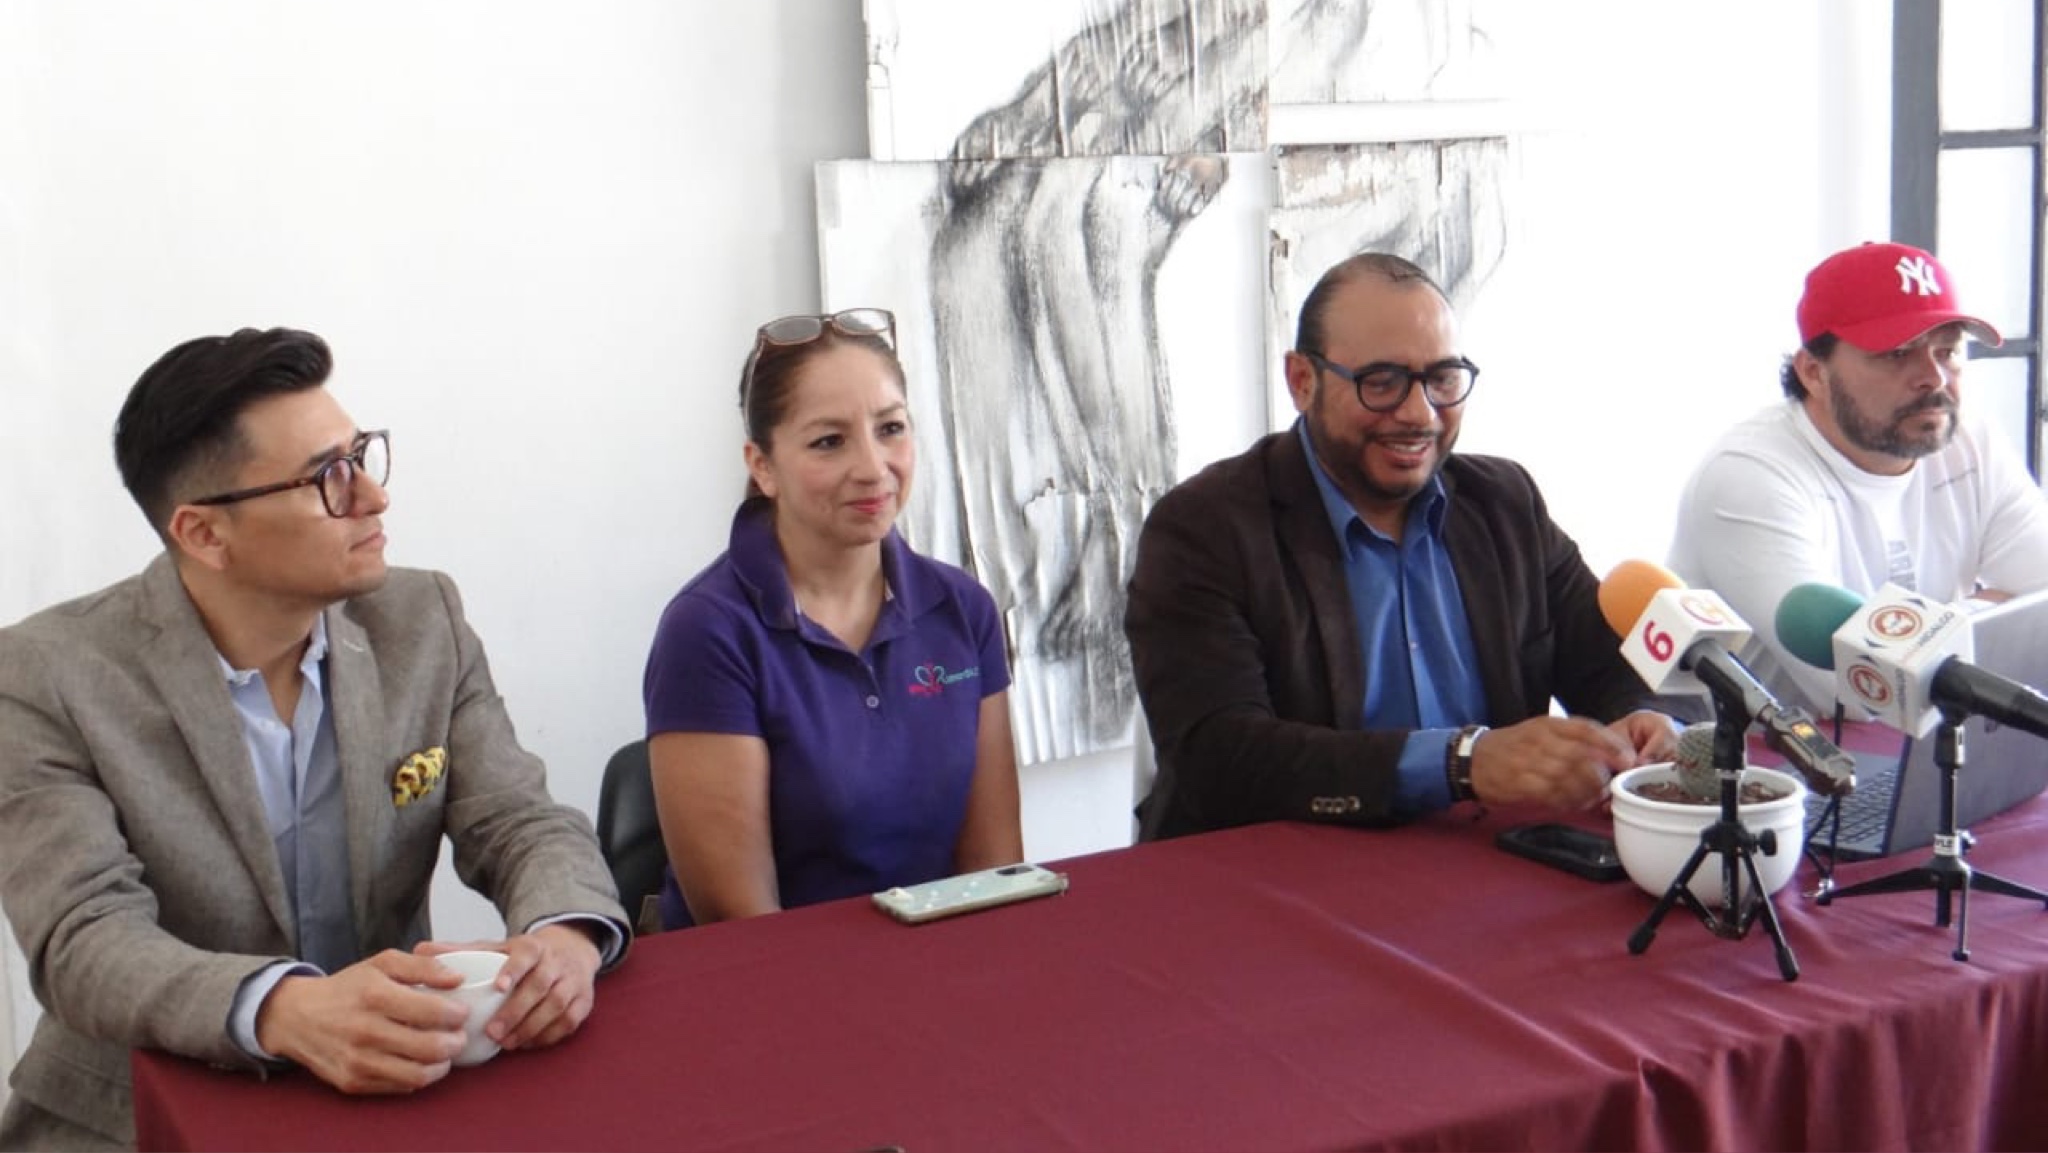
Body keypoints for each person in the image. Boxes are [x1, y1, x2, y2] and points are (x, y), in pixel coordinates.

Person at [0, 328, 628, 1150]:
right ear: (204, 534)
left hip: (396, 1087)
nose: (372, 496)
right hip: (143, 1109)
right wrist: (284, 1007)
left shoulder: (422, 620)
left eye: (362, 455)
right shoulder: (44, 675)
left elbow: (520, 819)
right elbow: (84, 937)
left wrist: (563, 936)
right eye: (328, 475)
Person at [1126, 253, 1676, 840]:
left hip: (1484, 860)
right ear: (1302, 381)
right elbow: (1220, 756)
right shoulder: (1204, 528)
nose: (1419, 413)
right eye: (1382, 383)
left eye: (1443, 379)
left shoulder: (1505, 503)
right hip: (1282, 868)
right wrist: (1460, 764)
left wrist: (1642, 719)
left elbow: (1607, 661)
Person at [641, 308, 1022, 928]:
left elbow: (993, 876)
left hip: (942, 965)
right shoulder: (707, 631)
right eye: (829, 441)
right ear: (763, 466)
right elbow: (743, 923)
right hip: (777, 973)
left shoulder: (964, 609)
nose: (873, 468)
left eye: (891, 428)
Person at [1669, 241, 2048, 715]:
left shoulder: (1971, 440)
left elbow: (2041, 616)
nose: (1933, 377)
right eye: (1896, 354)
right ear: (1814, 373)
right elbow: (1863, 694)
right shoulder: (1747, 476)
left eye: (1947, 351)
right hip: (1772, 753)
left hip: (1935, 739)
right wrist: (1986, 617)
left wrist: (1934, 641)